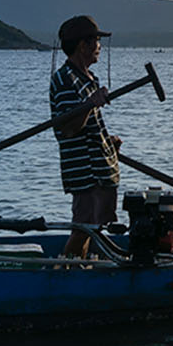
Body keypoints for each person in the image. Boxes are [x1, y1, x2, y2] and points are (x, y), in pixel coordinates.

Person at [50, 15, 122, 259]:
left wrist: (107, 142)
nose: (100, 48)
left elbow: (90, 124)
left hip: (100, 167)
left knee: (95, 226)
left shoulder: (90, 79)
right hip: (84, 170)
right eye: (96, 42)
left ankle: (82, 267)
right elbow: (68, 127)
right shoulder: (64, 79)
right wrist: (91, 104)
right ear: (83, 45)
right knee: (84, 227)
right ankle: (65, 272)